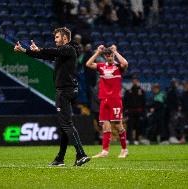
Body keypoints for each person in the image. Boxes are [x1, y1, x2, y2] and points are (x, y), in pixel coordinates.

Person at [14, 27, 90, 166]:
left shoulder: (68, 49)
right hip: (68, 90)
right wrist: (25, 50)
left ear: (65, 38)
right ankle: (60, 158)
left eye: (57, 37)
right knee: (64, 126)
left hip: (64, 91)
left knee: (66, 124)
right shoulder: (64, 52)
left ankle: (81, 154)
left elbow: (52, 52)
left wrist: (40, 49)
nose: (55, 40)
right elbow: (45, 55)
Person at [86, 44, 129, 158]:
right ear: (105, 56)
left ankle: (124, 149)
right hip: (104, 100)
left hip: (115, 100)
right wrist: (97, 53)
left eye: (111, 55)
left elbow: (125, 63)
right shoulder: (101, 67)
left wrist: (116, 52)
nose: (109, 57)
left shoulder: (118, 67)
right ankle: (105, 151)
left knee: (118, 125)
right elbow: (88, 64)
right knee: (105, 125)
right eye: (107, 56)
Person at [123, 75, 146, 145]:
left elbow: (143, 102)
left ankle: (136, 139)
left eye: (136, 80)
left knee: (138, 126)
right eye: (133, 80)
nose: (135, 81)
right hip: (130, 111)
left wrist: (143, 112)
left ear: (138, 81)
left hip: (138, 111)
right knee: (130, 126)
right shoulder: (129, 91)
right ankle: (128, 139)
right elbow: (125, 102)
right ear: (132, 81)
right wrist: (125, 111)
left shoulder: (141, 91)